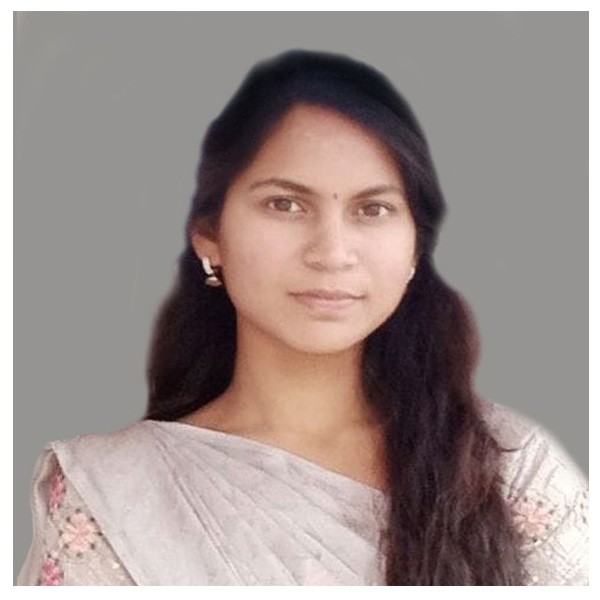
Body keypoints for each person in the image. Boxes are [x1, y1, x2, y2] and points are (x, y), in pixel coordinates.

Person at [18, 49, 588, 586]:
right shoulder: (117, 496)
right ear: (209, 234)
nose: (331, 252)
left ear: (416, 246)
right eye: (285, 204)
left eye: (373, 209)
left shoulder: (509, 470)